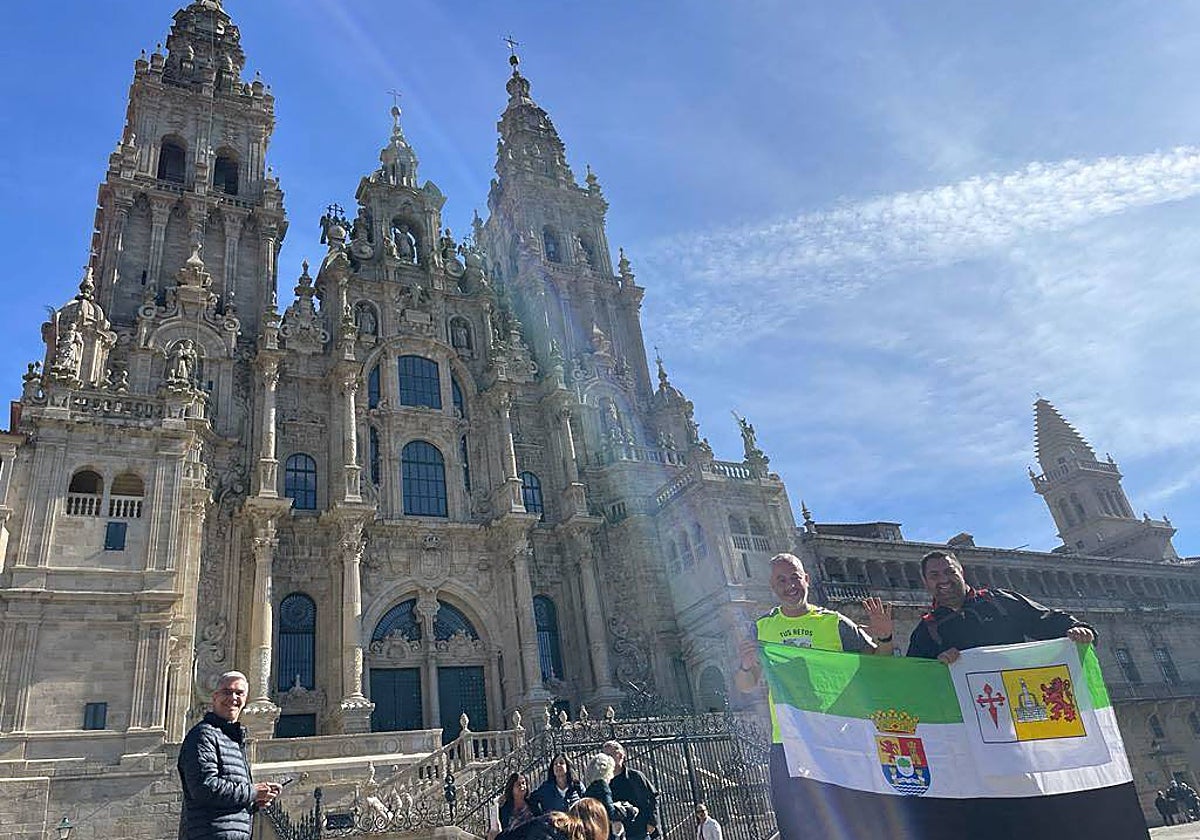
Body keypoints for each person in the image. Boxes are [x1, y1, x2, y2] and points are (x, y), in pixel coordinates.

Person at [734, 553, 894, 840]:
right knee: (794, 825)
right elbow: (745, 685)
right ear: (772, 587)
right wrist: (746, 665)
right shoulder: (761, 628)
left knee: (847, 820)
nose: (789, 585)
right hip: (787, 741)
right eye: (781, 580)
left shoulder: (834, 622)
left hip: (835, 738)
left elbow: (880, 664)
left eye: (794, 577)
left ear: (806, 579)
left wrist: (884, 637)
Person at [905, 550, 1095, 663]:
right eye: (934, 575)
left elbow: (1045, 620)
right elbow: (917, 675)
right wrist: (938, 665)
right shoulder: (927, 629)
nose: (944, 579)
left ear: (961, 572)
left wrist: (1079, 629)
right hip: (969, 719)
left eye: (949, 572)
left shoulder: (999, 601)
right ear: (925, 582)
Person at [177, 671, 280, 840]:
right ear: (215, 697)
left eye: (239, 693)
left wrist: (254, 801)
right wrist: (253, 792)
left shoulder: (233, 741)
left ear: (245, 699)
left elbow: (226, 802)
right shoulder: (203, 735)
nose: (233, 698)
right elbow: (205, 788)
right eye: (227, 692)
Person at [602, 742, 657, 840]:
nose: (607, 759)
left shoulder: (635, 776)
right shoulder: (603, 781)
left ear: (621, 756)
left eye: (610, 755)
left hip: (638, 830)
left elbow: (653, 797)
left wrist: (652, 822)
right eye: (605, 756)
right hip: (615, 834)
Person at [581, 752, 637, 840]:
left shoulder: (590, 788)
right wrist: (629, 810)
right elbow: (610, 812)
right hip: (605, 832)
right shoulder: (602, 786)